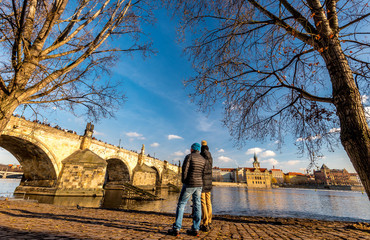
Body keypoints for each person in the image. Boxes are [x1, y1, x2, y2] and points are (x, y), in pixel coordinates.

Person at [168, 143, 206, 237]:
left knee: (181, 204)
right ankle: (195, 229)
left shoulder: (189, 157)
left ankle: (176, 228)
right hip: (199, 185)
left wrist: (184, 181)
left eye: (191, 148)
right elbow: (203, 173)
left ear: (192, 149)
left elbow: (184, 170)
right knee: (197, 205)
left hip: (190, 183)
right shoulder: (203, 159)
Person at [200, 140, 213, 232]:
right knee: (208, 201)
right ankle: (209, 220)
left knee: (202, 201)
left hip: (203, 181)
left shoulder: (202, 155)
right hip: (209, 181)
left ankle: (205, 223)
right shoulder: (210, 156)